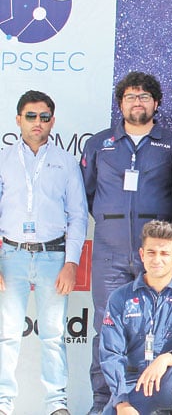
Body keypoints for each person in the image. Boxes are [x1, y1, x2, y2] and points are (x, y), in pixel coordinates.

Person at [81, 71, 172, 414]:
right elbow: (88, 194)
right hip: (109, 254)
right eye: (130, 97)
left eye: (144, 97)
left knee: (158, 329)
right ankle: (105, 402)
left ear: (156, 103)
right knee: (106, 329)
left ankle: (153, 404)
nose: (137, 102)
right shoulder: (99, 144)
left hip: (156, 256)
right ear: (120, 104)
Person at [0, 90, 87, 415]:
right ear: (18, 120)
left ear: (53, 121)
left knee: (53, 335)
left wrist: (71, 263)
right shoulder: (4, 160)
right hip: (11, 257)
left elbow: (78, 216)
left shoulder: (66, 162)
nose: (38, 122)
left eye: (44, 117)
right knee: (7, 335)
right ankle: (3, 403)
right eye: (31, 116)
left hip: (53, 257)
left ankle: (56, 404)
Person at [99, 220, 172, 414]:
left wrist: (168, 358)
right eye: (151, 252)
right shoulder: (120, 297)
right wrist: (122, 402)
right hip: (134, 385)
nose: (157, 259)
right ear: (142, 254)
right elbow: (111, 354)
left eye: (164, 253)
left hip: (170, 380)